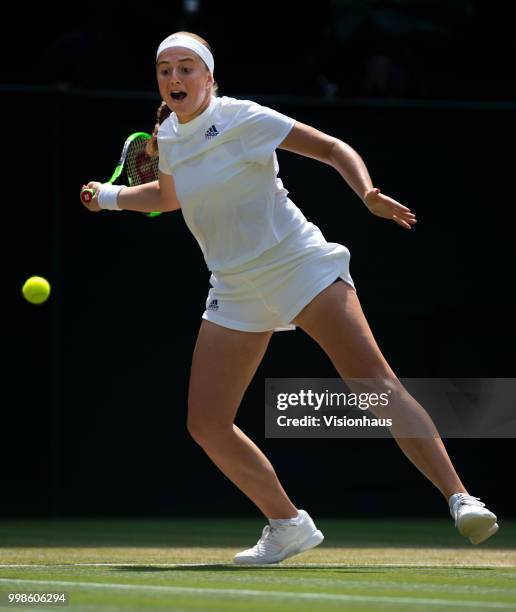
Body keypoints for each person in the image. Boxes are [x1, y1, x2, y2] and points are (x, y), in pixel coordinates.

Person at [81, 31, 499, 564]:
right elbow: (167, 196)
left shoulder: (244, 117)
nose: (175, 78)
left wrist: (366, 191)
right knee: (206, 423)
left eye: (187, 68)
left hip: (298, 264)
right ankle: (287, 524)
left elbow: (329, 147)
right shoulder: (167, 134)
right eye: (165, 70)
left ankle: (460, 497)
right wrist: (110, 196)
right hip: (233, 285)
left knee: (374, 384)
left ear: (209, 76)